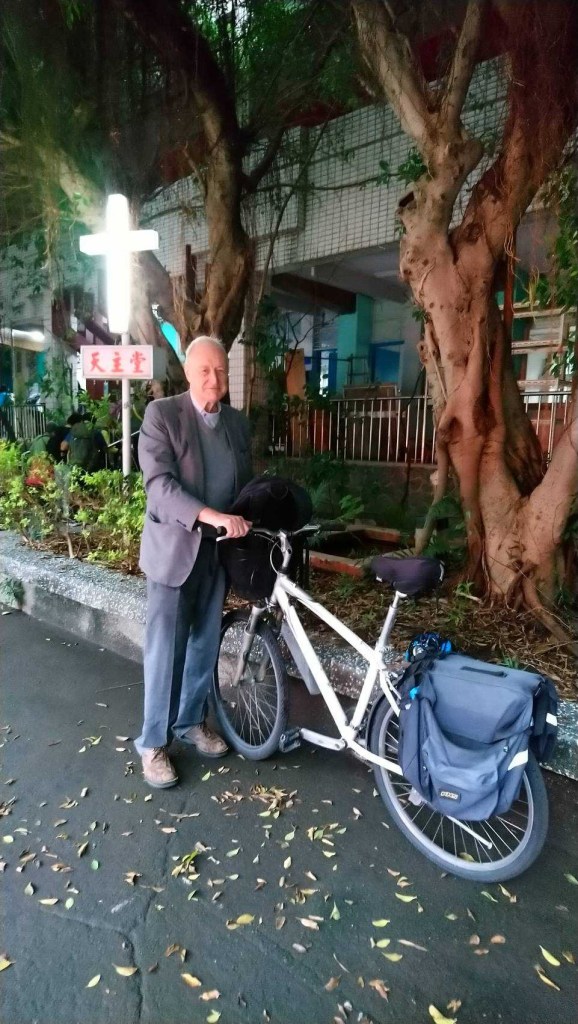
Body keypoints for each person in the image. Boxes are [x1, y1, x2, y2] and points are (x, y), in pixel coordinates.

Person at [135, 336, 253, 788]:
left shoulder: (236, 424)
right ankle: (153, 743)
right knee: (167, 650)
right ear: (188, 373)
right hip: (174, 552)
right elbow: (160, 487)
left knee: (205, 644)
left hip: (217, 552)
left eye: (220, 370)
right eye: (204, 370)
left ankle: (190, 722)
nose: (213, 379)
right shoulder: (162, 415)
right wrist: (210, 515)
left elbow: (245, 485)